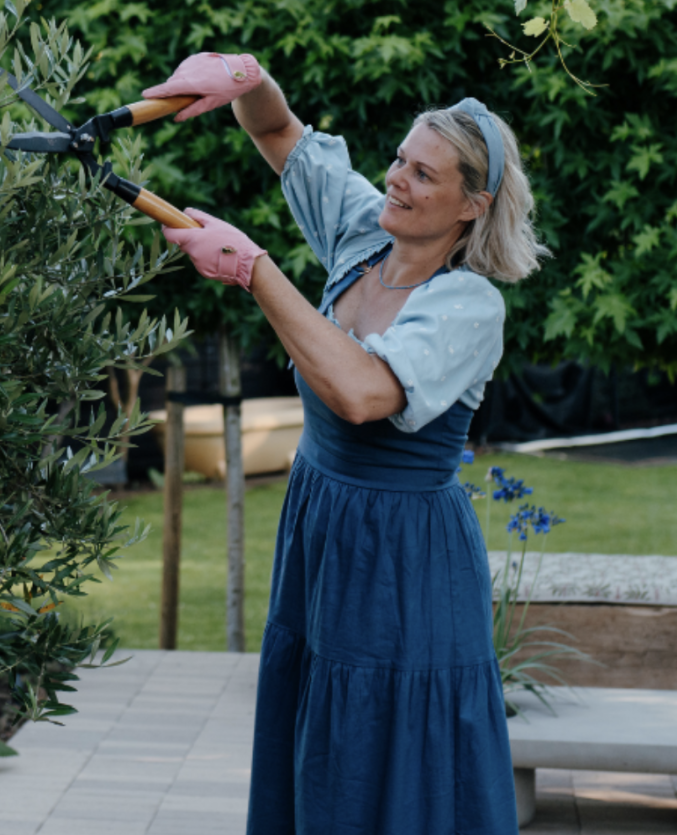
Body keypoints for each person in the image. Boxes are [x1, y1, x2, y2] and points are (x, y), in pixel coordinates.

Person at [142, 52, 548, 834]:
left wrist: (255, 270)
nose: (397, 178)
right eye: (400, 159)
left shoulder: (468, 306)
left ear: (472, 205)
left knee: (391, 739)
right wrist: (245, 79)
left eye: (424, 175)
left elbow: (362, 394)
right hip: (324, 526)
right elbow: (278, 132)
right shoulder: (366, 234)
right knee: (326, 729)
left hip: (405, 555)